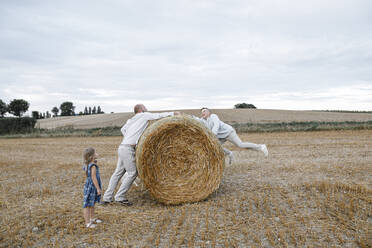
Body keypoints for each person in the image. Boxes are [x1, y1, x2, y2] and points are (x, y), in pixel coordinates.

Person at [101, 104, 180, 206]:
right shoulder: (144, 115)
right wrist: (173, 113)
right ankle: (120, 197)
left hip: (122, 147)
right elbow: (158, 116)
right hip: (128, 148)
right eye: (145, 107)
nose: (147, 109)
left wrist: (129, 138)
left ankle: (107, 197)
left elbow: (123, 130)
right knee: (132, 173)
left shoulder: (131, 120)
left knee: (118, 173)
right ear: (141, 109)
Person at [193, 108, 268, 164]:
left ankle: (261, 147)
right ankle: (229, 153)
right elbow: (194, 119)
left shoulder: (213, 116)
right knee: (215, 146)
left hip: (228, 132)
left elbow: (216, 125)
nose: (203, 112)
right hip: (220, 136)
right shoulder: (203, 120)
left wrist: (212, 135)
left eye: (204, 111)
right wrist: (182, 115)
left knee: (240, 145)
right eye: (202, 112)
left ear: (209, 112)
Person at [82, 147, 103, 228]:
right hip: (92, 186)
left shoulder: (87, 164)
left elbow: (87, 175)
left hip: (89, 185)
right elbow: (93, 177)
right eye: (95, 153)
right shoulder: (93, 166)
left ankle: (92, 218)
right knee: (87, 204)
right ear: (92, 156)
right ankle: (87, 223)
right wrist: (98, 188)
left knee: (92, 203)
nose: (97, 154)